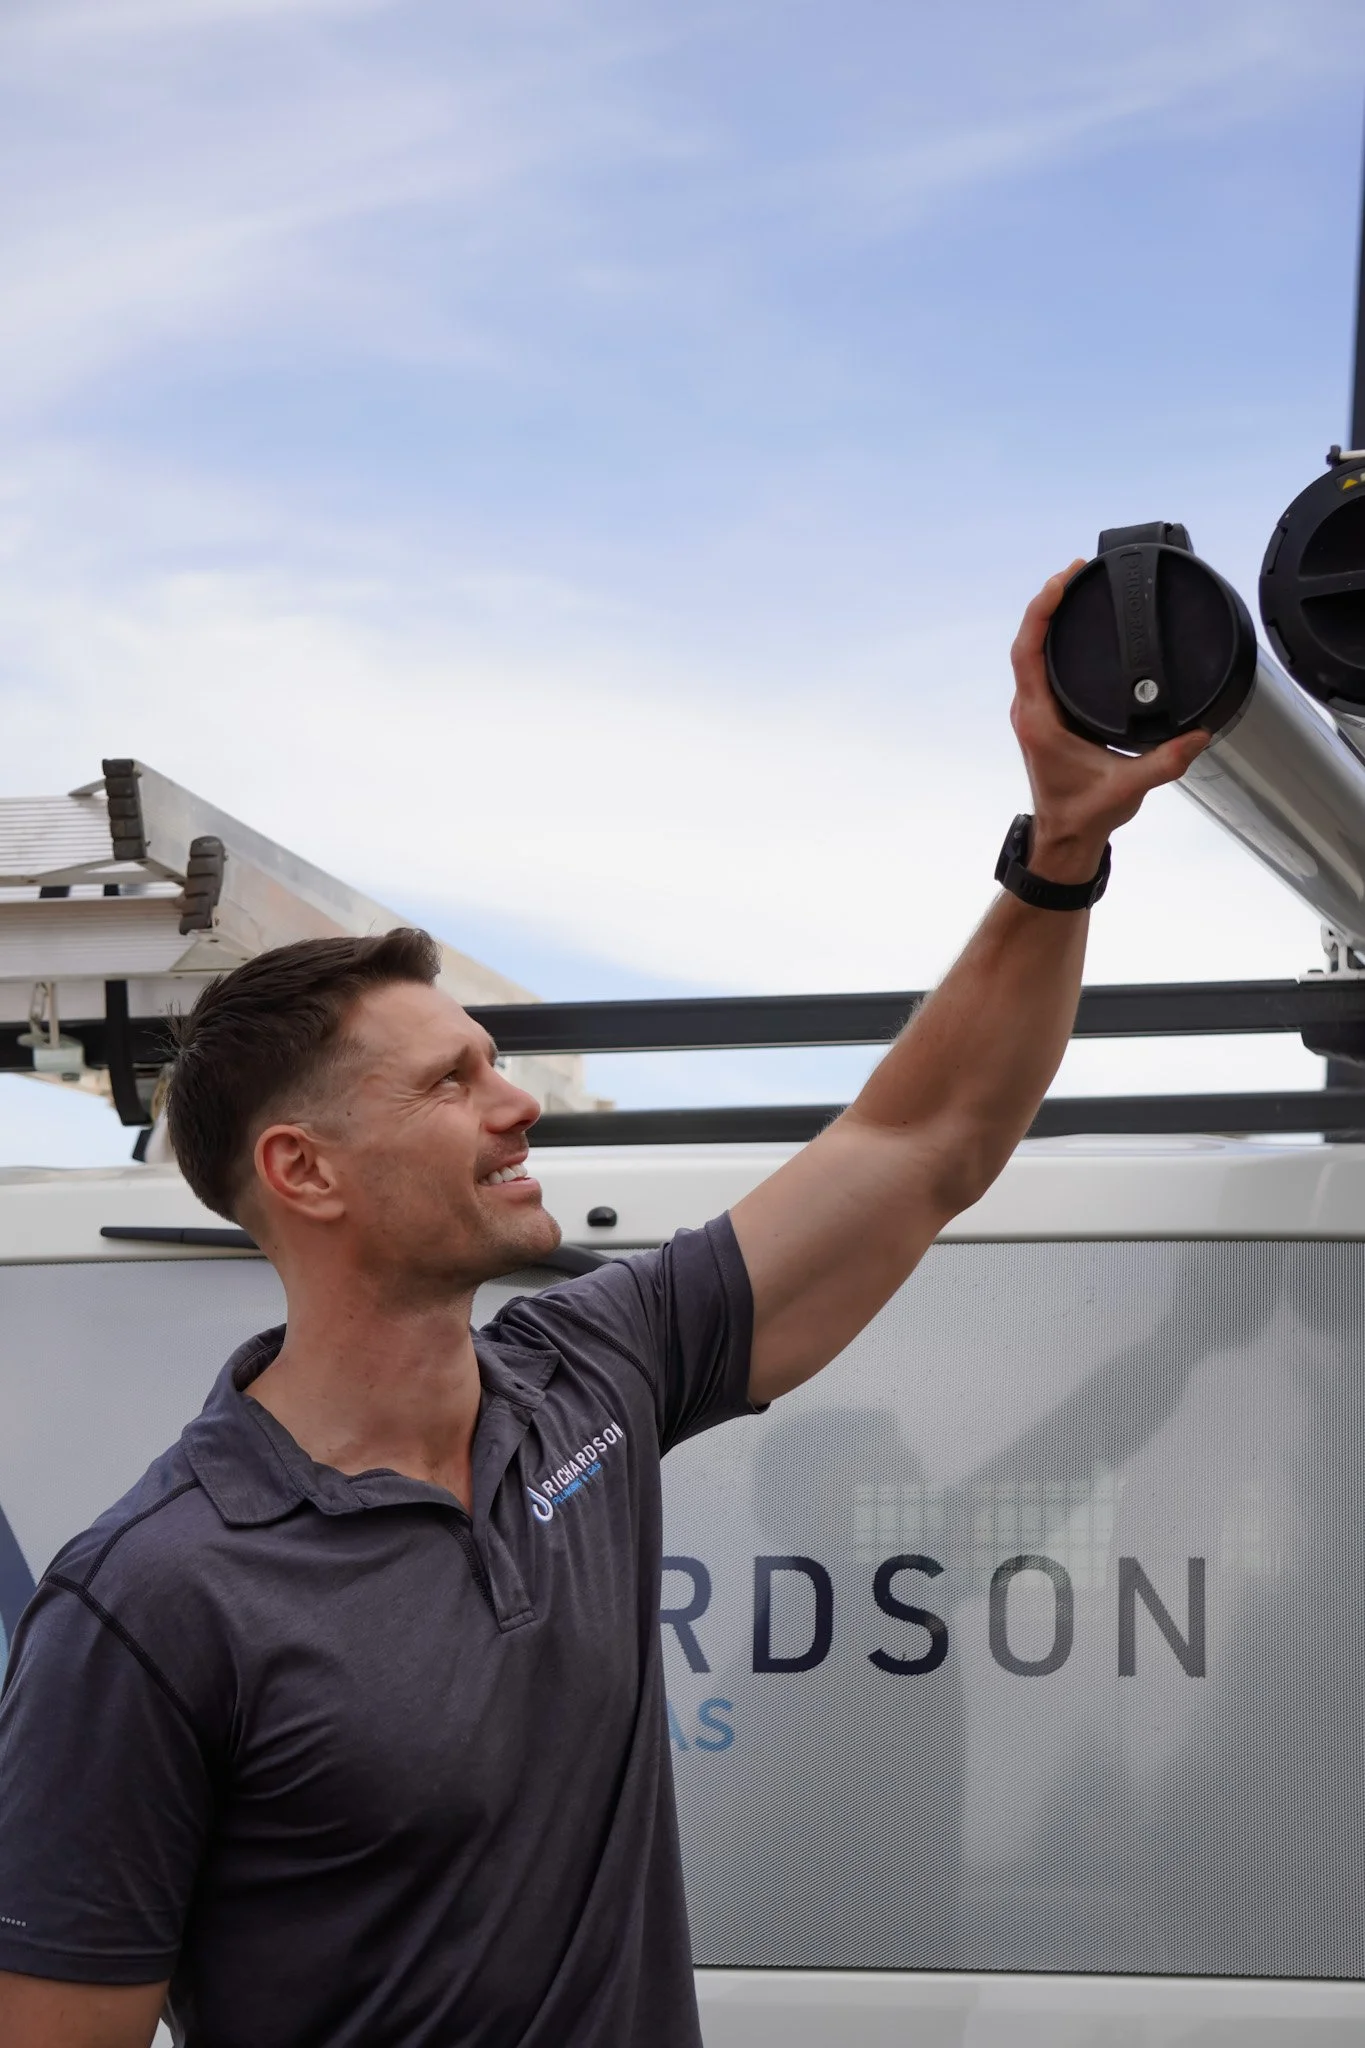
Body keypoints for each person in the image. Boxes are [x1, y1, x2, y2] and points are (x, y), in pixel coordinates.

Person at [0, 569, 1206, 2048]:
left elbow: (919, 1147)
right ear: (303, 1172)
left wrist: (1061, 854)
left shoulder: (587, 1381)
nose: (518, 1107)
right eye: (451, 1082)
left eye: (494, 1061)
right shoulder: (154, 1602)